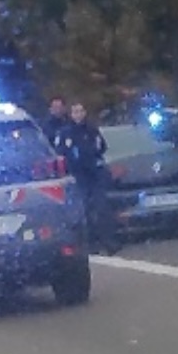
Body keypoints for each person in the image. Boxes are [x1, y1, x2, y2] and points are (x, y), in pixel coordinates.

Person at [57, 102, 118, 255]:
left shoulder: (92, 130)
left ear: (84, 113)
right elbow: (62, 153)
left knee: (102, 208)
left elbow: (101, 147)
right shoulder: (66, 133)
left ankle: (108, 242)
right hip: (78, 176)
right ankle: (90, 244)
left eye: (80, 111)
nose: (78, 115)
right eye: (75, 112)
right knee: (84, 211)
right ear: (71, 115)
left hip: (95, 175)